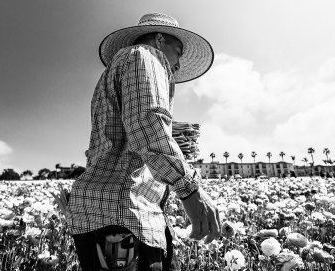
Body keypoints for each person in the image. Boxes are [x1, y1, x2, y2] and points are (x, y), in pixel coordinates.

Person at [65, 13, 220, 271]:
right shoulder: (144, 56)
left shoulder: (122, 65)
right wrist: (191, 191)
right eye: (178, 51)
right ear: (159, 40)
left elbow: (128, 134)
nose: (179, 64)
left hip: (113, 214)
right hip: (123, 213)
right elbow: (147, 124)